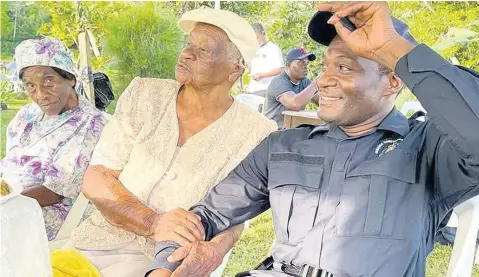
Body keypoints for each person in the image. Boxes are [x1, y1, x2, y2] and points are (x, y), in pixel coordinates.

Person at [147, 2, 479, 277]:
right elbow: (208, 215)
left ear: (393, 80)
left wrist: (392, 49)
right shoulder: (284, 147)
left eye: (345, 67)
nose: (323, 80)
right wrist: (165, 267)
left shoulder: (428, 150)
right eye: (325, 66)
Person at [65, 8, 277, 277]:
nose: (187, 54)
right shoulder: (145, 94)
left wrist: (215, 251)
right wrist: (152, 221)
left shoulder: (255, 131)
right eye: (189, 45)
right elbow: (97, 176)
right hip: (96, 243)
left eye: (205, 50)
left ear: (235, 69)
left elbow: (235, 212)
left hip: (169, 260)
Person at [0, 38, 107, 241]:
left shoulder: (92, 125)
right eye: (30, 85)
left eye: (48, 81)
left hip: (47, 211)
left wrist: (6, 203)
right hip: (10, 199)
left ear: (71, 78)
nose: (40, 94)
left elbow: (54, 191)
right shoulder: (27, 114)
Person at [263, 48, 319, 128]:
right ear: (288, 65)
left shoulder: (305, 82)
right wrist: (316, 83)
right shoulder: (279, 81)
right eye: (300, 63)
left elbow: (321, 101)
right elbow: (294, 104)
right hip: (272, 131)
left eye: (306, 63)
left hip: (291, 129)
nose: (305, 67)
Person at [246, 23, 284, 98]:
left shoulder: (272, 48)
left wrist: (262, 75)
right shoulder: (254, 49)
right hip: (252, 90)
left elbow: (280, 69)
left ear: (263, 33)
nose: (256, 41)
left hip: (266, 89)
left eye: (257, 38)